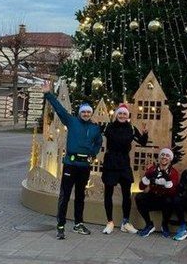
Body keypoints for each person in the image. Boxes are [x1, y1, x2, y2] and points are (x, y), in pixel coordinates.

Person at [42, 80, 103, 240]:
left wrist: (93, 152)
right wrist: (48, 94)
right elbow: (60, 110)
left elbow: (98, 142)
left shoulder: (95, 128)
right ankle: (60, 226)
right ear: (80, 113)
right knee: (65, 195)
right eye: (83, 112)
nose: (86, 114)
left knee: (80, 196)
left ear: (91, 114)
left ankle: (78, 224)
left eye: (88, 112)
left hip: (84, 166)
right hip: (70, 164)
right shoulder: (72, 121)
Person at [101, 103, 148, 235]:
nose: (122, 116)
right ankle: (109, 222)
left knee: (126, 194)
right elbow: (97, 135)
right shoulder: (109, 127)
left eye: (124, 114)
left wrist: (145, 133)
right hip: (110, 162)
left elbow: (143, 142)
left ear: (127, 116)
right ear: (116, 115)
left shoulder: (131, 128)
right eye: (120, 113)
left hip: (124, 163)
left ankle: (125, 222)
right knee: (108, 193)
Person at [135, 148, 180, 238]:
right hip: (153, 197)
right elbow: (141, 187)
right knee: (139, 197)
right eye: (163, 155)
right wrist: (148, 176)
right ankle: (149, 224)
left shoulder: (174, 172)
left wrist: (166, 180)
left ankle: (165, 225)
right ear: (159, 157)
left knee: (170, 200)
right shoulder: (152, 169)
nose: (164, 157)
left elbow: (172, 191)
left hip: (165, 200)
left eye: (167, 156)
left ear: (170, 159)